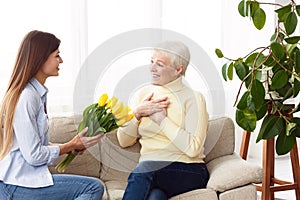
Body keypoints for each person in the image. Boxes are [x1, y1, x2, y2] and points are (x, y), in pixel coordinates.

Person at [0, 30, 104, 200]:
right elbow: (34, 156)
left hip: (21, 182)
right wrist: (69, 145)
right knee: (93, 188)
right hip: (15, 186)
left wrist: (71, 146)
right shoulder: (27, 97)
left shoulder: (35, 94)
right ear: (40, 59)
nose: (60, 61)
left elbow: (33, 145)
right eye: (57, 55)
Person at [117, 41, 209, 200]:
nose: (152, 68)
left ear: (178, 69)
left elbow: (193, 148)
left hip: (188, 170)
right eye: (151, 61)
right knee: (155, 197)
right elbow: (123, 141)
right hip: (153, 172)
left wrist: (162, 121)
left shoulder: (194, 98)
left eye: (159, 64)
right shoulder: (143, 95)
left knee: (145, 169)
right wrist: (137, 114)